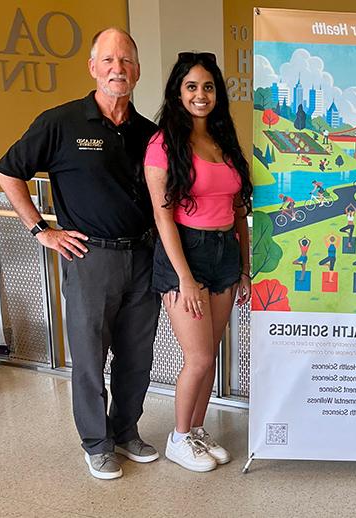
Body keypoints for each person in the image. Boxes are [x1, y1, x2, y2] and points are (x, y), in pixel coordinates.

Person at [0, 28, 161, 480]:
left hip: (143, 258)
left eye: (126, 61)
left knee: (137, 355)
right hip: (89, 259)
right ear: (93, 68)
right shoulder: (61, 122)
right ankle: (96, 442)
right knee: (90, 357)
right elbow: (8, 172)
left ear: (138, 70)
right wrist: (40, 230)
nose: (117, 69)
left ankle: (126, 432)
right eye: (108, 60)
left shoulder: (150, 133)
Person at [144, 51, 252, 472]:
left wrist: (242, 267)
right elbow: (162, 215)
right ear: (177, 92)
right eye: (191, 86)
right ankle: (179, 436)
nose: (201, 95)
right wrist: (184, 279)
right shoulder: (163, 144)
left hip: (224, 251)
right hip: (183, 254)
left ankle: (197, 429)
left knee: (213, 350)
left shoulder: (222, 140)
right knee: (200, 357)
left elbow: (238, 208)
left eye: (208, 86)